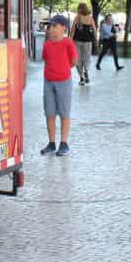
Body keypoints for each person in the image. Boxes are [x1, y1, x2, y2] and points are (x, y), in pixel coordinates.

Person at [39, 14, 78, 156]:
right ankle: (51, 143)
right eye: (50, 26)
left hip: (64, 82)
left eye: (55, 26)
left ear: (64, 28)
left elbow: (74, 61)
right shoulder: (47, 44)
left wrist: (63, 70)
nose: (51, 29)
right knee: (49, 113)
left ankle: (64, 143)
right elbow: (45, 59)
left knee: (64, 113)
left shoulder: (68, 43)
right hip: (48, 82)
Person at [71, 4, 97, 85]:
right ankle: (86, 70)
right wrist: (96, 40)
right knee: (86, 58)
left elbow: (72, 30)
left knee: (78, 59)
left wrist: (70, 40)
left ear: (79, 9)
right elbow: (94, 30)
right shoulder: (90, 18)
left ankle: (81, 78)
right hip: (88, 41)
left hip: (77, 41)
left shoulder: (77, 17)